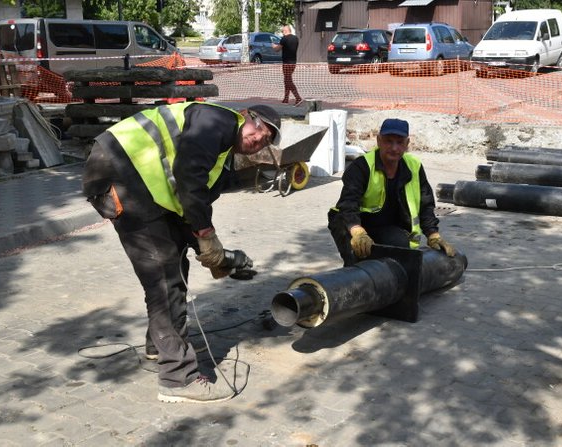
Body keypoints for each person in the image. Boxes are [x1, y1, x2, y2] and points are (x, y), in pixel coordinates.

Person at [82, 101, 281, 403]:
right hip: (119, 169)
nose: (259, 140)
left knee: (174, 264)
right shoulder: (216, 122)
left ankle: (160, 347)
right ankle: (178, 379)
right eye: (260, 130)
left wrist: (208, 249)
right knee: (163, 277)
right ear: (245, 117)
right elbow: (189, 178)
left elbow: (192, 203)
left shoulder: (223, 151)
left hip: (140, 183)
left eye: (266, 141)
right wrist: (206, 236)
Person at [327, 118, 455, 266]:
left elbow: (425, 204)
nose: (394, 148)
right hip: (350, 223)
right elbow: (349, 202)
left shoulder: (414, 166)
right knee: (359, 263)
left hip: (384, 226)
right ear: (379, 141)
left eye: (400, 142)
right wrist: (357, 231)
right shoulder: (362, 166)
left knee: (399, 252)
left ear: (407, 144)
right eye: (389, 141)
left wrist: (433, 234)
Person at [272, 25, 302, 106]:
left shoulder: (284, 39)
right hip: (293, 62)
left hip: (286, 63)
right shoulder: (296, 38)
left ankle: (298, 98)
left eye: (282, 31)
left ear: (285, 31)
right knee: (287, 80)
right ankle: (286, 98)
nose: (282, 33)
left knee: (288, 80)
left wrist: (273, 46)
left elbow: (277, 49)